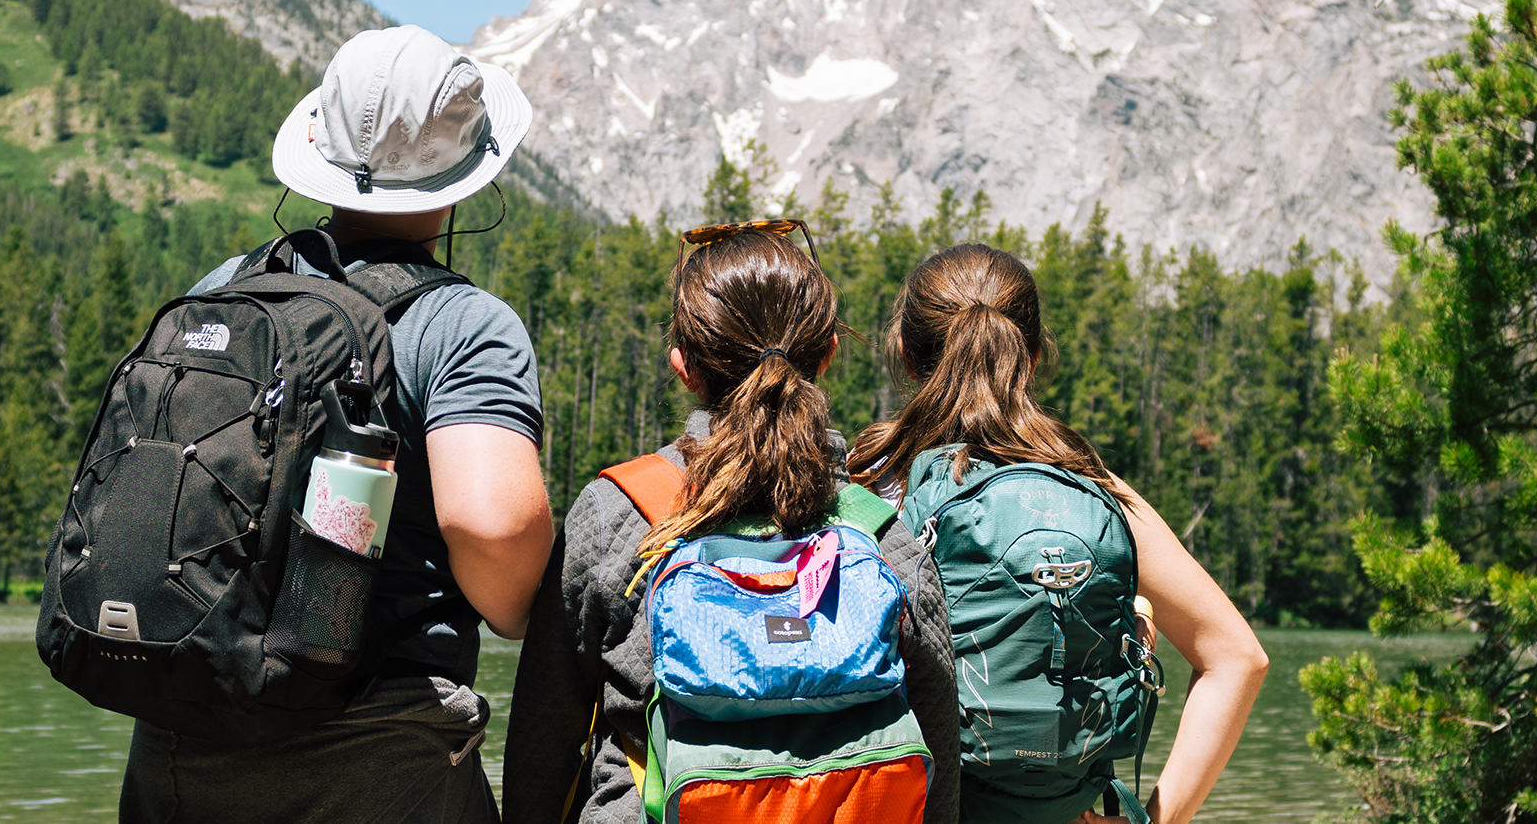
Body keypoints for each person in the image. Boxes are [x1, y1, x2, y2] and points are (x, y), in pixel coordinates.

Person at [119, 25, 555, 823]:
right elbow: (492, 529)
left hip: (180, 742)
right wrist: (524, 609)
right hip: (374, 757)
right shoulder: (463, 323)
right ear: (460, 181)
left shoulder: (220, 291)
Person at [501, 222, 962, 824]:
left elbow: (545, 738)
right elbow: (938, 757)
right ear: (827, 355)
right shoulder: (880, 535)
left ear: (682, 365)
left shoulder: (618, 513)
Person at [849, 243, 1269, 824]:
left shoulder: (859, 492)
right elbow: (1238, 659)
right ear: (1037, 354)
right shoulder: (1092, 494)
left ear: (905, 353)